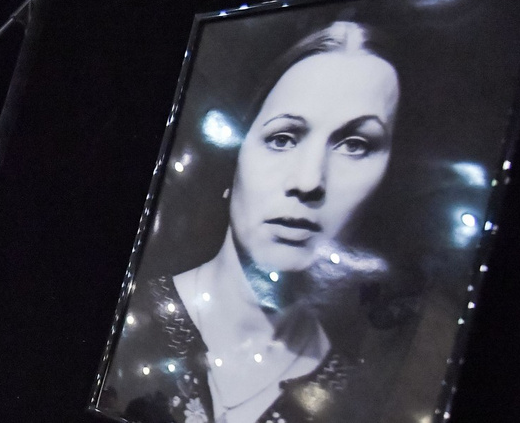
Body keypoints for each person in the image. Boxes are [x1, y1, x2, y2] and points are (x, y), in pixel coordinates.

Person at [112, 21, 400, 423]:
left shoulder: (350, 404)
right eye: (283, 138)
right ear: (238, 153)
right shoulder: (129, 319)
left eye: (355, 145)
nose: (309, 181)